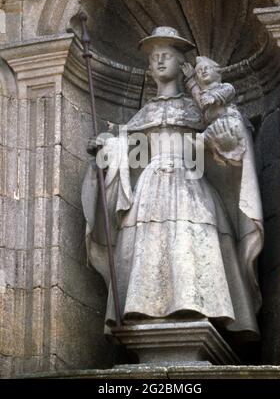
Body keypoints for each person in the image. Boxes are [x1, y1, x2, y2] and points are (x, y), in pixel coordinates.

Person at [81, 26, 263, 340]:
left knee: (188, 241)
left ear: (182, 64)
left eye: (166, 55)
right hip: (150, 187)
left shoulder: (199, 107)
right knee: (149, 243)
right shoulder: (145, 113)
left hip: (190, 184)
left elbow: (230, 140)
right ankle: (144, 309)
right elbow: (134, 154)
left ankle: (196, 306)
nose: (159, 61)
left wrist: (218, 141)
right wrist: (110, 148)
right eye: (154, 57)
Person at [182, 56, 247, 167]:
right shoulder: (203, 95)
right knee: (211, 133)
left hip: (229, 120)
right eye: (199, 71)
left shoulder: (224, 86)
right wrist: (190, 78)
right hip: (216, 125)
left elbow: (229, 91)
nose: (203, 71)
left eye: (207, 68)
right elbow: (198, 97)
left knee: (216, 131)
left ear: (217, 71)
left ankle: (201, 143)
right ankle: (201, 143)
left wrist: (214, 97)